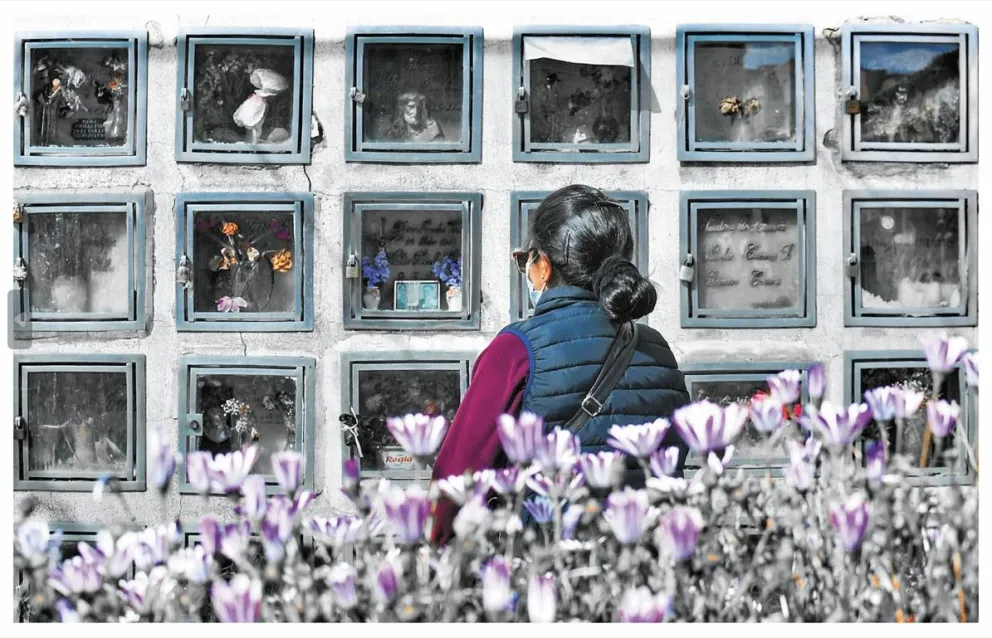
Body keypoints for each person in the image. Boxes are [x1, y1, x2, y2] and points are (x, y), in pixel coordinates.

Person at [429, 184, 690, 545]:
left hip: (544, 566)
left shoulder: (516, 349)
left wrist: (436, 554)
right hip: (639, 566)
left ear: (544, 268)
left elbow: (456, 476)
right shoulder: (657, 350)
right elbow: (675, 461)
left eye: (526, 261)